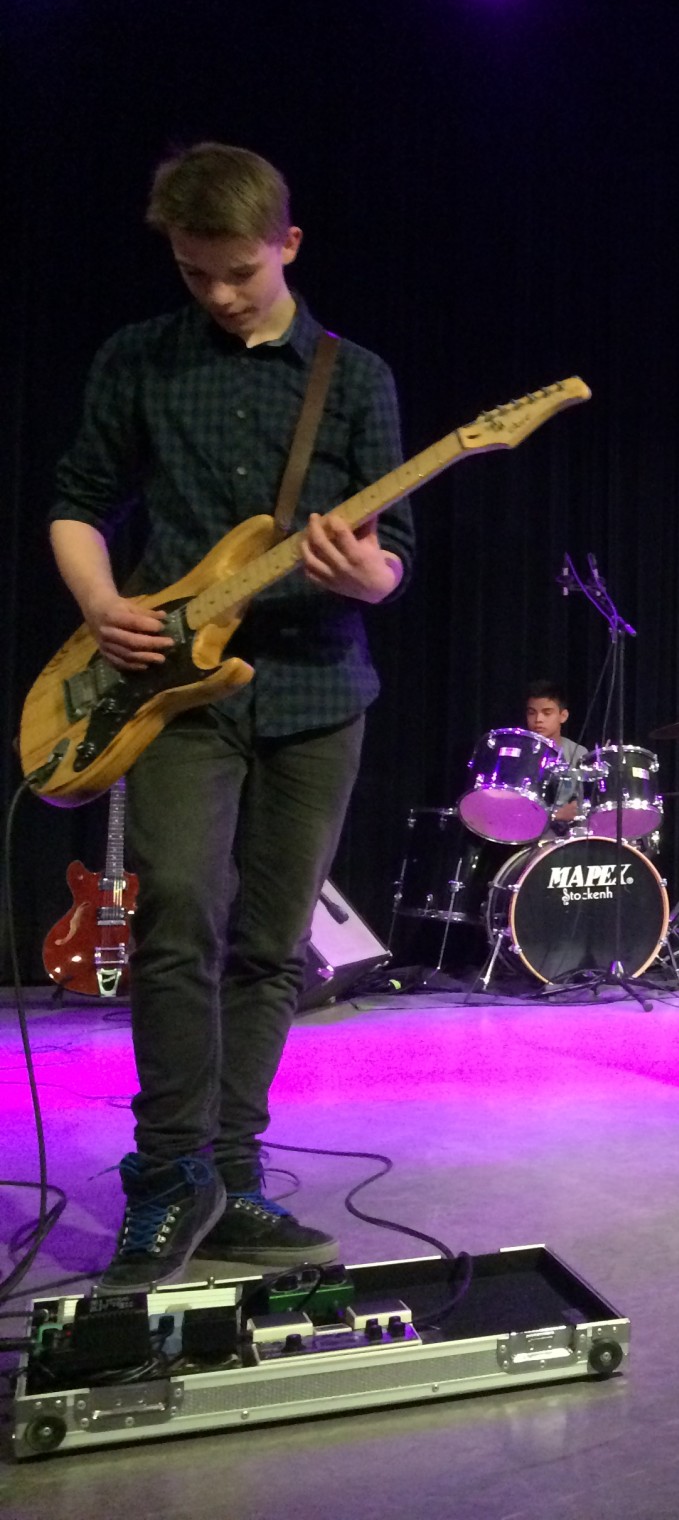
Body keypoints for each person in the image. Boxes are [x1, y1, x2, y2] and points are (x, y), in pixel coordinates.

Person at [47, 144, 414, 1290]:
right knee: (174, 916)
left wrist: (365, 575)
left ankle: (236, 1173)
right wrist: (100, 603)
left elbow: (394, 558)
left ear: (287, 246)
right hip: (172, 689)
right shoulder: (139, 359)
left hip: (316, 692)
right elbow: (77, 502)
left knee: (270, 944)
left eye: (239, 273)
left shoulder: (355, 379)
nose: (216, 294)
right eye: (193, 272)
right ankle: (167, 1176)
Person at [524, 678, 588, 829]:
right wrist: (555, 815)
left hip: (570, 836)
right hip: (528, 834)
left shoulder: (579, 753)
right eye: (532, 713)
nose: (538, 719)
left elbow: (584, 806)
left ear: (563, 716)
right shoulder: (521, 753)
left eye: (547, 713)